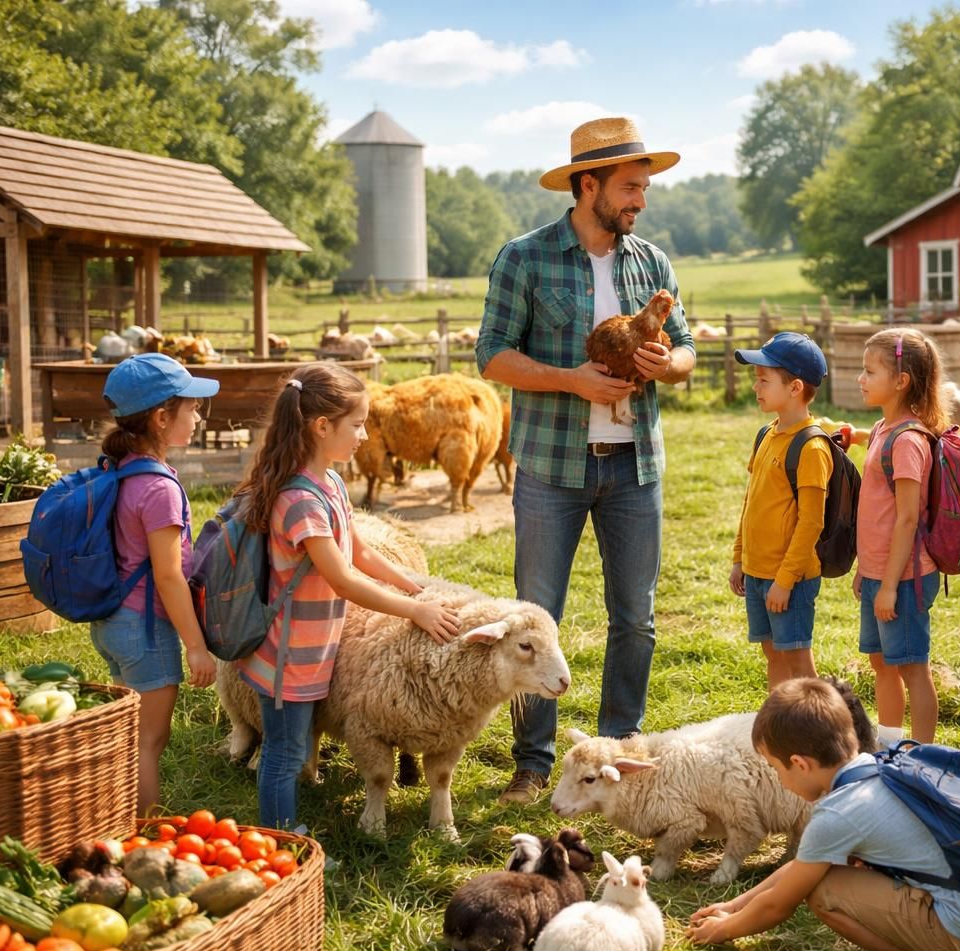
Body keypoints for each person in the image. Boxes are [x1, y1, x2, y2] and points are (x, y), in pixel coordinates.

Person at [476, 117, 696, 804]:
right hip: (551, 465)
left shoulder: (651, 262)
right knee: (536, 620)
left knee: (636, 616)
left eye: (645, 188)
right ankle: (534, 761)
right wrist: (572, 379)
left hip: (634, 466)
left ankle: (617, 751)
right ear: (589, 184)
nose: (640, 201)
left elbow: (687, 349)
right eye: (630, 188)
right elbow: (493, 355)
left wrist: (670, 364)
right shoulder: (526, 257)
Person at [686, 677, 960, 951]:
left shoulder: (837, 813)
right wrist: (733, 905)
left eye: (776, 769)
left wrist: (723, 930)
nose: (779, 780)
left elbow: (779, 905)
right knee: (827, 872)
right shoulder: (887, 765)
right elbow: (803, 864)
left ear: (800, 764)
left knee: (824, 890)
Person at [234, 363, 460, 831]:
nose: (364, 435)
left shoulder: (332, 484)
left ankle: (285, 830)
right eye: (356, 425)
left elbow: (361, 551)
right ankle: (282, 837)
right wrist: (414, 609)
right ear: (321, 427)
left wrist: (418, 585)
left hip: (318, 648)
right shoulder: (299, 501)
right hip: (287, 656)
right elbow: (343, 578)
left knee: (296, 744)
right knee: (286, 751)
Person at [93, 354, 220, 816]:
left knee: (129, 735)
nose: (199, 415)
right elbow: (168, 575)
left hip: (113, 622)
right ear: (162, 418)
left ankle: (116, 813)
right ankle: (144, 831)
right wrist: (195, 646)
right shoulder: (159, 487)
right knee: (150, 740)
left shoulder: (119, 468)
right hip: (145, 629)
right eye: (191, 408)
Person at [854, 328, 947, 745]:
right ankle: (890, 745)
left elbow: (908, 520)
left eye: (869, 371)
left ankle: (923, 754)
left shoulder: (908, 440)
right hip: (880, 575)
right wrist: (867, 572)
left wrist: (889, 586)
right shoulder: (881, 430)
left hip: (904, 578)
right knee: (881, 663)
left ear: (900, 380)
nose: (861, 378)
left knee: (913, 668)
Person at [730, 332, 831, 688]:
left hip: (790, 579)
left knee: (797, 659)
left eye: (763, 379)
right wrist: (740, 558)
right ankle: (781, 729)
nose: (756, 387)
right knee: (773, 654)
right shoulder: (765, 434)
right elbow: (751, 501)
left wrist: (784, 581)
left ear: (795, 387)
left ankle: (822, 729)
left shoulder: (812, 446)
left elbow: (812, 521)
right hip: (757, 573)